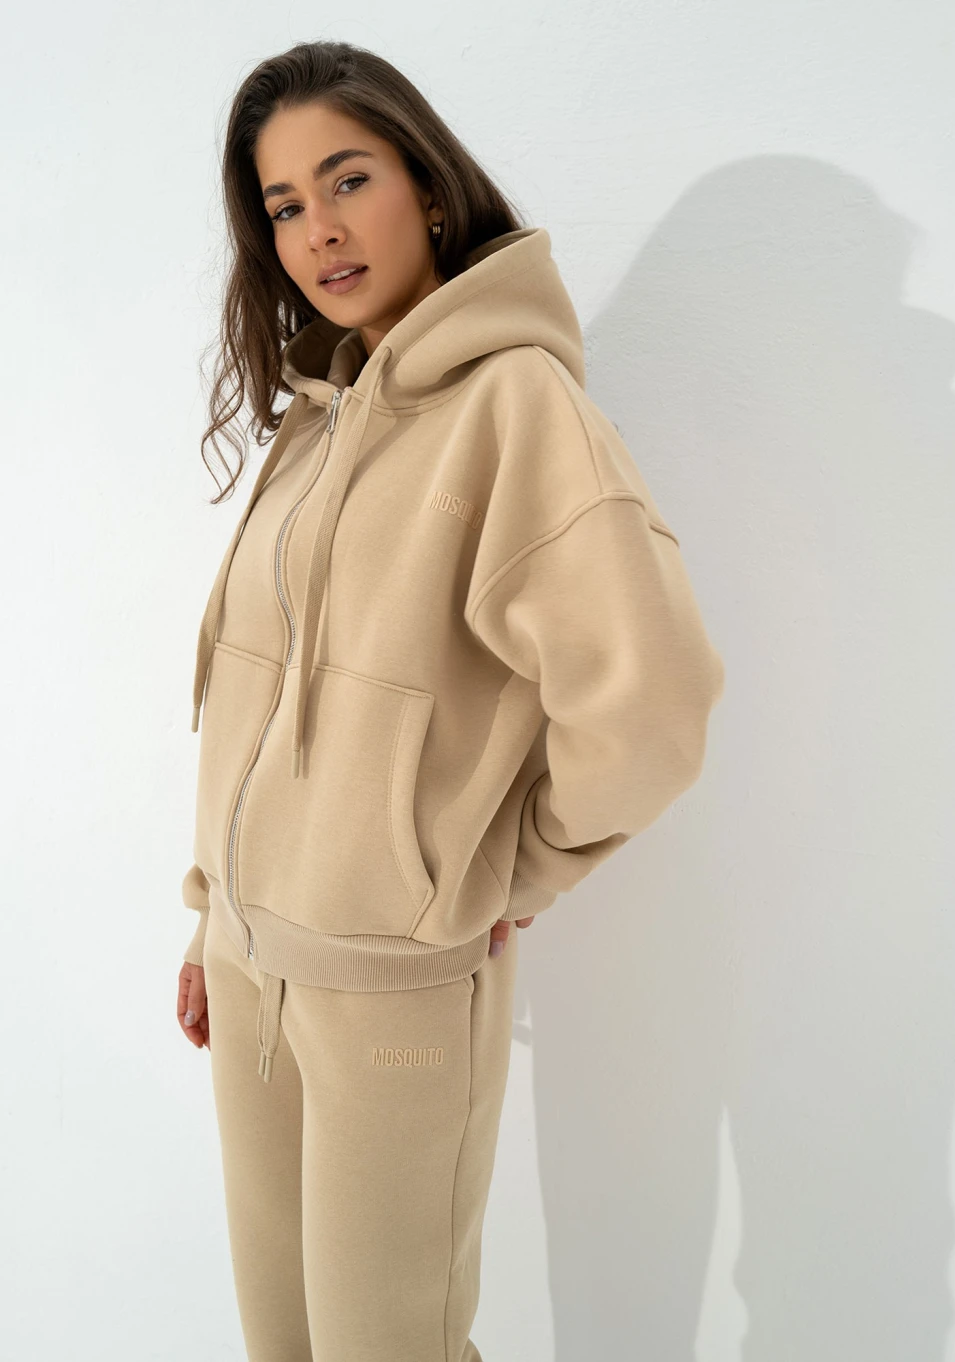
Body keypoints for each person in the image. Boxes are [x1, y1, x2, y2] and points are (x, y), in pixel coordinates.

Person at [174, 37, 726, 1362]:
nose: (318, 228)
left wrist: (499, 868)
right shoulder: (317, 420)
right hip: (250, 975)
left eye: (347, 178)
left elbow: (651, 703)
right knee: (282, 1346)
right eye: (283, 205)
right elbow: (255, 694)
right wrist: (209, 916)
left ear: (426, 185)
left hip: (395, 996)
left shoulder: (516, 407)